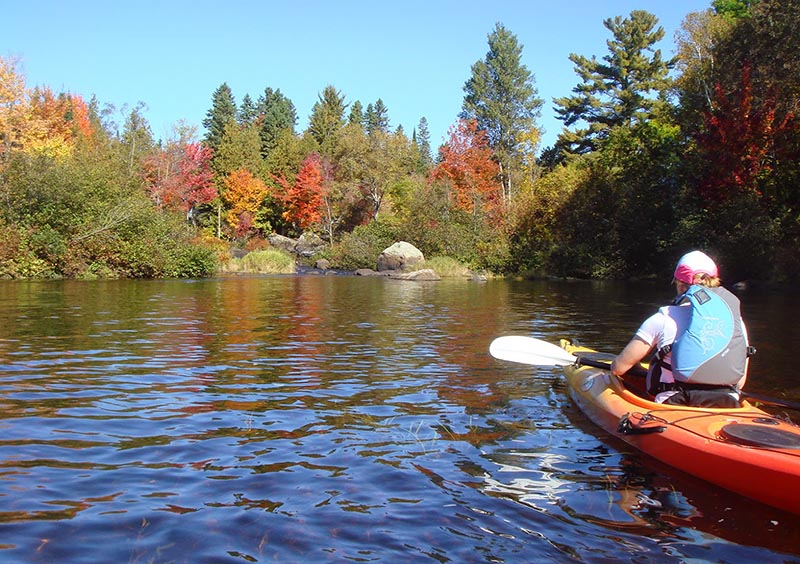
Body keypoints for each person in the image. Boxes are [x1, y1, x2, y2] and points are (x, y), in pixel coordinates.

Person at [610, 251, 750, 408]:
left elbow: (618, 368)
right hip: (728, 403)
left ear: (681, 285)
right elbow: (740, 381)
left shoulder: (663, 319)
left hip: (675, 403)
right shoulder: (737, 323)